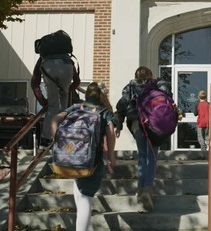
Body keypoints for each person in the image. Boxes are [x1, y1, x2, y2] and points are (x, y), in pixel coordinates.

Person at [50, 82, 116, 231]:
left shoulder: (75, 107)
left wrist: (57, 140)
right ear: (101, 95)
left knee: (80, 196)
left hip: (70, 156)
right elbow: (111, 131)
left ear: (87, 95)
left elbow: (55, 120)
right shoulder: (103, 112)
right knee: (86, 199)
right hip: (91, 160)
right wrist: (111, 154)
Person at [114, 66, 170, 212]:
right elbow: (168, 100)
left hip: (137, 123)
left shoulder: (130, 87)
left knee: (142, 155)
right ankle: (148, 189)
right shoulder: (159, 84)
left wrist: (118, 125)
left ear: (136, 75)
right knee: (152, 156)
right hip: (154, 124)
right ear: (150, 75)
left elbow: (121, 106)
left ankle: (140, 189)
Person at [31, 55, 81, 147]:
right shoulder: (67, 57)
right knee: (64, 107)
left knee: (53, 106)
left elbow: (34, 82)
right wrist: (67, 90)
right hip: (67, 68)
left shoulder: (43, 58)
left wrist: (42, 101)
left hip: (49, 68)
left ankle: (46, 138)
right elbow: (77, 82)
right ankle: (62, 135)